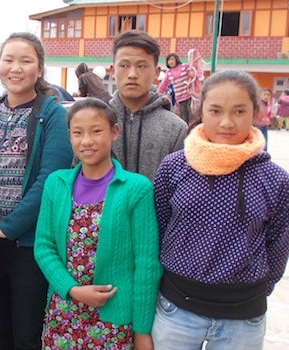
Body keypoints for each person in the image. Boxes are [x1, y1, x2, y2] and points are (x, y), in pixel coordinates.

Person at [152, 70, 289, 349]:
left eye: (239, 111)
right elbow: (159, 229)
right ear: (202, 110)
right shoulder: (174, 167)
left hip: (242, 320)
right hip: (176, 311)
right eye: (215, 110)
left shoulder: (275, 179)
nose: (227, 122)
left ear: (255, 112)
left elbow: (278, 246)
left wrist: (256, 291)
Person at [0, 32, 74, 350]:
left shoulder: (52, 115)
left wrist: (5, 227)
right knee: (2, 326)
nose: (16, 68)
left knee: (27, 333)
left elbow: (50, 180)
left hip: (27, 246)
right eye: (9, 60)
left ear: (39, 69)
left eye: (25, 61)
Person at [34, 98, 162, 349]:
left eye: (96, 131)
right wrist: (72, 289)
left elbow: (147, 264)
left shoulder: (136, 189)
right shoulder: (56, 184)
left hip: (113, 321)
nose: (87, 141)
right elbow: (43, 245)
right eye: (78, 133)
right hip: (64, 313)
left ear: (114, 132)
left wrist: (143, 330)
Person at [110, 30, 188, 182]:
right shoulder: (98, 122)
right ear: (113, 70)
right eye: (124, 65)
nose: (132, 74)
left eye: (141, 66)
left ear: (156, 72)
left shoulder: (176, 129)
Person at [157, 53, 196, 124]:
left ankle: (191, 126)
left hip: (189, 94)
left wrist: (192, 73)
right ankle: (186, 128)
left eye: (172, 59)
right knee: (183, 114)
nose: (170, 61)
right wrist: (158, 94)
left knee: (190, 112)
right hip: (180, 97)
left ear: (176, 60)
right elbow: (163, 84)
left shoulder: (184, 67)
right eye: (169, 60)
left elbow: (193, 74)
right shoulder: (169, 73)